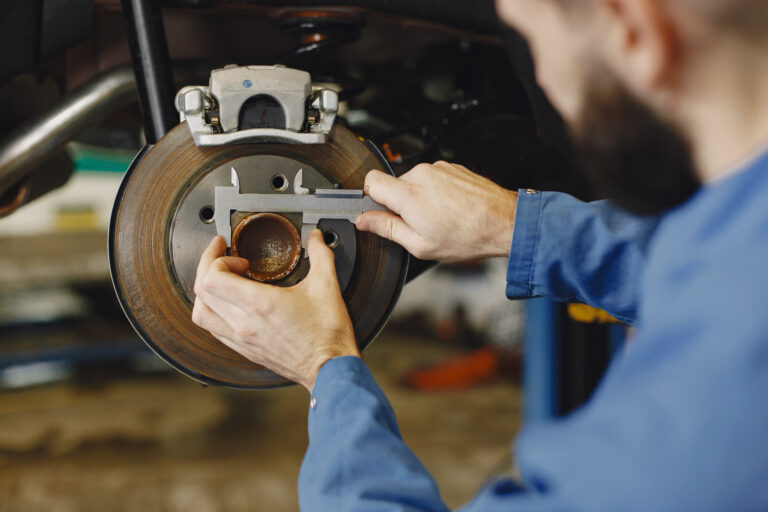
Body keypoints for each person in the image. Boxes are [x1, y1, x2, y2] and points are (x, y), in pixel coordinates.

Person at [191, 0, 768, 509]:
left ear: (632, 28)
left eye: (528, 37)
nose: (539, 73)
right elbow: (714, 265)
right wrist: (513, 226)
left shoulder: (703, 426)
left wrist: (323, 363)